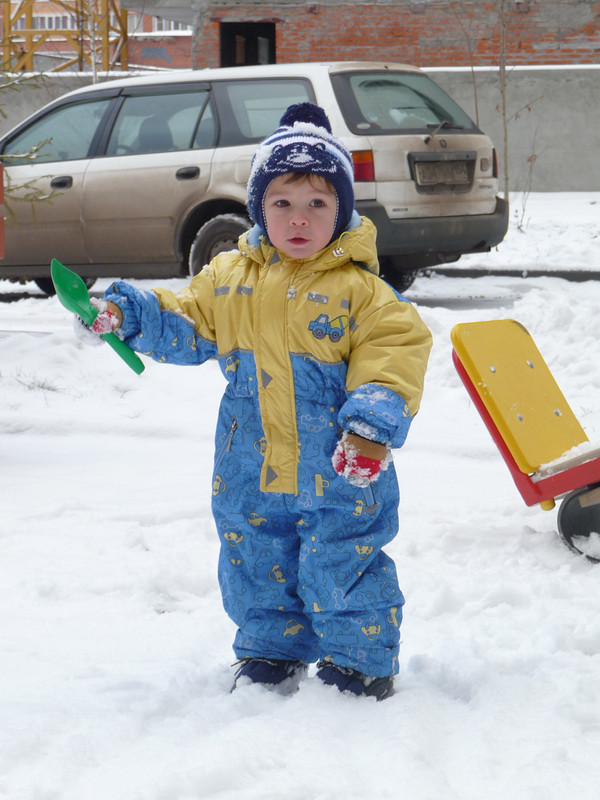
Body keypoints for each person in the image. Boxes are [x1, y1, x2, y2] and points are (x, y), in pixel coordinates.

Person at [77, 103, 432, 701]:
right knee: (254, 556)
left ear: (342, 211)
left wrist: (370, 427)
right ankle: (271, 648)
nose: (299, 220)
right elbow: (184, 319)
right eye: (282, 203)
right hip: (250, 465)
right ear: (258, 209)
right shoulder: (228, 278)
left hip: (341, 468)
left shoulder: (361, 291)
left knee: (342, 561)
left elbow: (394, 352)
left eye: (317, 204)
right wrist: (129, 315)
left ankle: (360, 659)